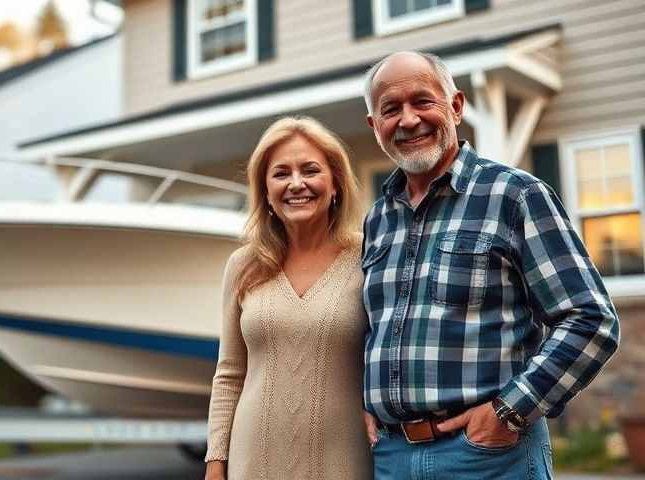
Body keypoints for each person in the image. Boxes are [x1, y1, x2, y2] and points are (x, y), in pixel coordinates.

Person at [360, 51, 620, 479]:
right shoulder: (377, 219)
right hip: (392, 459)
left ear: (456, 107)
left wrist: (508, 411)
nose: (408, 120)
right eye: (390, 109)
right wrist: (363, 403)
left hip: (489, 458)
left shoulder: (515, 195)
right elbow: (372, 331)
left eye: (422, 102)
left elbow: (591, 319)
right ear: (375, 127)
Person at [204, 116, 372, 480]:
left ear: (336, 184)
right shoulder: (242, 265)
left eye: (310, 170)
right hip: (253, 462)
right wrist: (216, 462)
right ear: (264, 191)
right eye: (281, 174)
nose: (297, 184)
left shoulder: (369, 258)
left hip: (345, 462)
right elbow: (230, 374)